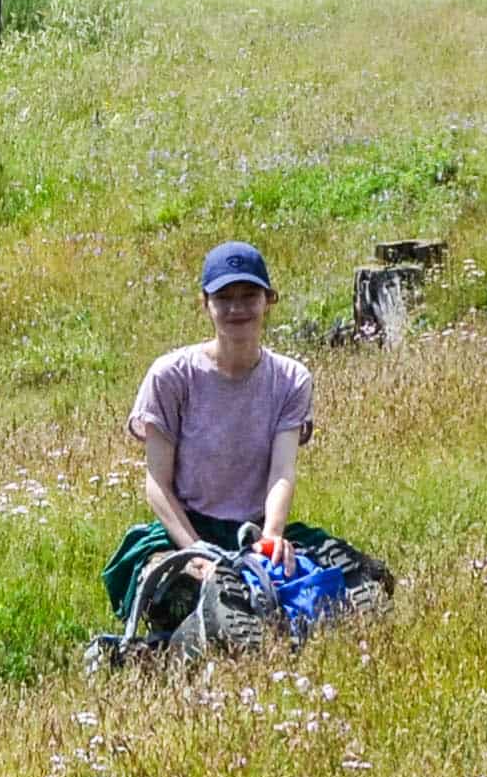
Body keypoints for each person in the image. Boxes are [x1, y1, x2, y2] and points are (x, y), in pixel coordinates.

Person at [102, 241, 381, 639]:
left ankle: (313, 605)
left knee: (354, 571)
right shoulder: (170, 376)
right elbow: (156, 484)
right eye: (224, 298)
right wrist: (196, 552)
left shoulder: (291, 379)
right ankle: (216, 615)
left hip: (254, 529)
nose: (237, 309)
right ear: (205, 304)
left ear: (269, 300)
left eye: (249, 296)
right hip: (185, 529)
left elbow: (282, 471)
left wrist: (271, 537)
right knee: (180, 589)